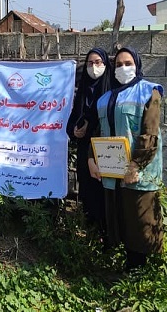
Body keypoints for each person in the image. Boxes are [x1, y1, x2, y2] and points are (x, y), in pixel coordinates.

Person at [88, 46, 164, 270]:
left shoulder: (150, 92)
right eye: (118, 65)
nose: (123, 68)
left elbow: (150, 133)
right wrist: (91, 159)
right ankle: (125, 270)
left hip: (139, 173)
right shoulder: (105, 99)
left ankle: (141, 276)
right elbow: (98, 132)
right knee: (120, 221)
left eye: (128, 63)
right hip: (112, 172)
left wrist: (135, 165)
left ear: (137, 65)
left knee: (140, 223)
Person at [66, 48, 111, 234]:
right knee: (87, 190)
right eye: (91, 63)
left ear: (106, 64)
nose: (94, 67)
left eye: (98, 62)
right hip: (85, 148)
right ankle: (91, 231)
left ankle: (106, 234)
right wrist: (75, 130)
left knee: (105, 192)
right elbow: (74, 116)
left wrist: (91, 125)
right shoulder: (82, 88)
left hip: (106, 147)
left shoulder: (111, 89)